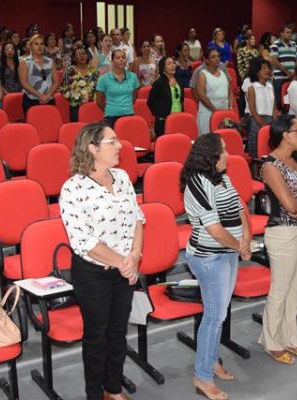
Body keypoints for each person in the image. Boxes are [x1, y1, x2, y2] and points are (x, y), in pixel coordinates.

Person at [59, 122, 144, 400]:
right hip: (93, 274)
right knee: (97, 337)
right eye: (112, 141)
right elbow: (84, 241)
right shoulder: (73, 188)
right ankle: (94, 394)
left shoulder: (122, 177)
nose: (120, 146)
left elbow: (137, 219)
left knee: (118, 332)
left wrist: (134, 257)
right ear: (93, 148)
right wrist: (124, 262)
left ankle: (113, 389)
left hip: (124, 269)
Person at [181, 132, 251, 400]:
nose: (227, 155)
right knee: (213, 317)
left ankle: (210, 361)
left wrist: (246, 237)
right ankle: (202, 376)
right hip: (208, 257)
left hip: (229, 252)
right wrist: (239, 246)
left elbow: (239, 208)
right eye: (222, 151)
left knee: (219, 313)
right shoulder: (196, 184)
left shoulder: (224, 177)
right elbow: (214, 229)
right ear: (209, 157)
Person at [259, 114, 297, 364]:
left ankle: (291, 339)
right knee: (280, 290)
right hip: (283, 233)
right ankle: (271, 341)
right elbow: (288, 204)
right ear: (285, 134)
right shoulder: (270, 166)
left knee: (296, 288)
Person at [96, 49, 140, 128]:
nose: (121, 60)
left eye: (123, 57)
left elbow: (134, 97)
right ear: (112, 61)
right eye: (118, 58)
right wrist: (113, 109)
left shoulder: (133, 77)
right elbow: (99, 101)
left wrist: (125, 107)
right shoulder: (103, 79)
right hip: (110, 117)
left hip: (129, 115)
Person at [242, 57, 276, 156]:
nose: (267, 70)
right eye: (264, 68)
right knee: (256, 152)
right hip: (256, 121)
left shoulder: (270, 87)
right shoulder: (252, 88)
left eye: (268, 68)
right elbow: (252, 110)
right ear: (257, 72)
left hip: (270, 119)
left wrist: (274, 121)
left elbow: (274, 107)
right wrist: (264, 125)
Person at [18, 34, 59, 114]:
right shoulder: (25, 62)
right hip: (31, 100)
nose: (39, 46)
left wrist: (47, 96)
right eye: (36, 44)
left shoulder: (50, 61)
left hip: (49, 99)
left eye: (41, 44)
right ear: (30, 46)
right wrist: (40, 96)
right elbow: (24, 83)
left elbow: (56, 81)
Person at [196, 48, 233, 135]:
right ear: (207, 60)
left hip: (224, 112)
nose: (217, 58)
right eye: (213, 57)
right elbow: (201, 95)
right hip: (208, 113)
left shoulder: (223, 73)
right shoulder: (202, 74)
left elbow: (230, 92)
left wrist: (230, 107)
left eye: (218, 56)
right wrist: (215, 111)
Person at [147, 56, 184, 137]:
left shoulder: (179, 81)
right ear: (163, 68)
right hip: (163, 121)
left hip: (178, 118)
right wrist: (159, 115)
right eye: (169, 64)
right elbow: (150, 102)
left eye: (173, 63)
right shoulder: (159, 83)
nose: (172, 65)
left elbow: (181, 100)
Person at [61, 47, 99, 122]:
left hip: (92, 105)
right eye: (79, 54)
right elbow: (63, 89)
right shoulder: (70, 70)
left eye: (84, 53)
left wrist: (92, 98)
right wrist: (76, 100)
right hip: (76, 106)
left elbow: (97, 88)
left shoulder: (93, 70)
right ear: (74, 58)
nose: (82, 56)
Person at [270, 25, 297, 108]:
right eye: (287, 32)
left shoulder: (294, 44)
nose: (289, 34)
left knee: (291, 100)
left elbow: (295, 59)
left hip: (292, 76)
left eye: (291, 33)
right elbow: (274, 61)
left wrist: (295, 72)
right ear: (281, 33)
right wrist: (286, 72)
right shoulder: (275, 45)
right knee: (279, 101)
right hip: (279, 77)